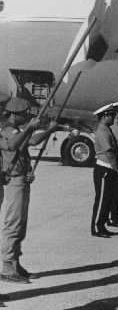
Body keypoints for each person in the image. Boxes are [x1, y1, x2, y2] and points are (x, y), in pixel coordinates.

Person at [0, 97, 57, 283]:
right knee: (13, 224)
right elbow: (13, 145)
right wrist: (30, 127)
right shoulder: (6, 130)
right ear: (14, 114)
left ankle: (15, 263)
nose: (27, 117)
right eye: (24, 114)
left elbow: (29, 143)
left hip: (22, 179)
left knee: (20, 225)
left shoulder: (17, 130)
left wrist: (50, 130)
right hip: (12, 181)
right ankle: (7, 267)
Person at [91, 102, 118, 238]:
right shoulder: (103, 131)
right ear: (105, 116)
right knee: (102, 199)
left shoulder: (106, 129)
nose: (113, 117)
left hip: (108, 168)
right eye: (111, 115)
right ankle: (97, 227)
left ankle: (102, 225)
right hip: (104, 169)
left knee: (107, 199)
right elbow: (109, 153)